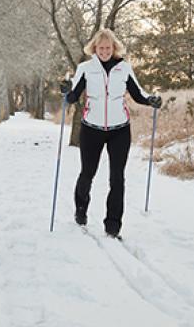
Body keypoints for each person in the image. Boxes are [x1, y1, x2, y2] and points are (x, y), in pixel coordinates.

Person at [60, 28, 161, 239]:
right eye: (101, 48)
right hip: (91, 129)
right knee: (87, 174)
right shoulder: (85, 68)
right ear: (94, 48)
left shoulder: (124, 68)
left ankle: (113, 226)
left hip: (120, 130)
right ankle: (81, 211)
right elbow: (73, 97)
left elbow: (138, 93)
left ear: (114, 48)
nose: (104, 51)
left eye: (108, 47)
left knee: (117, 178)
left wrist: (151, 99)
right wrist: (66, 90)